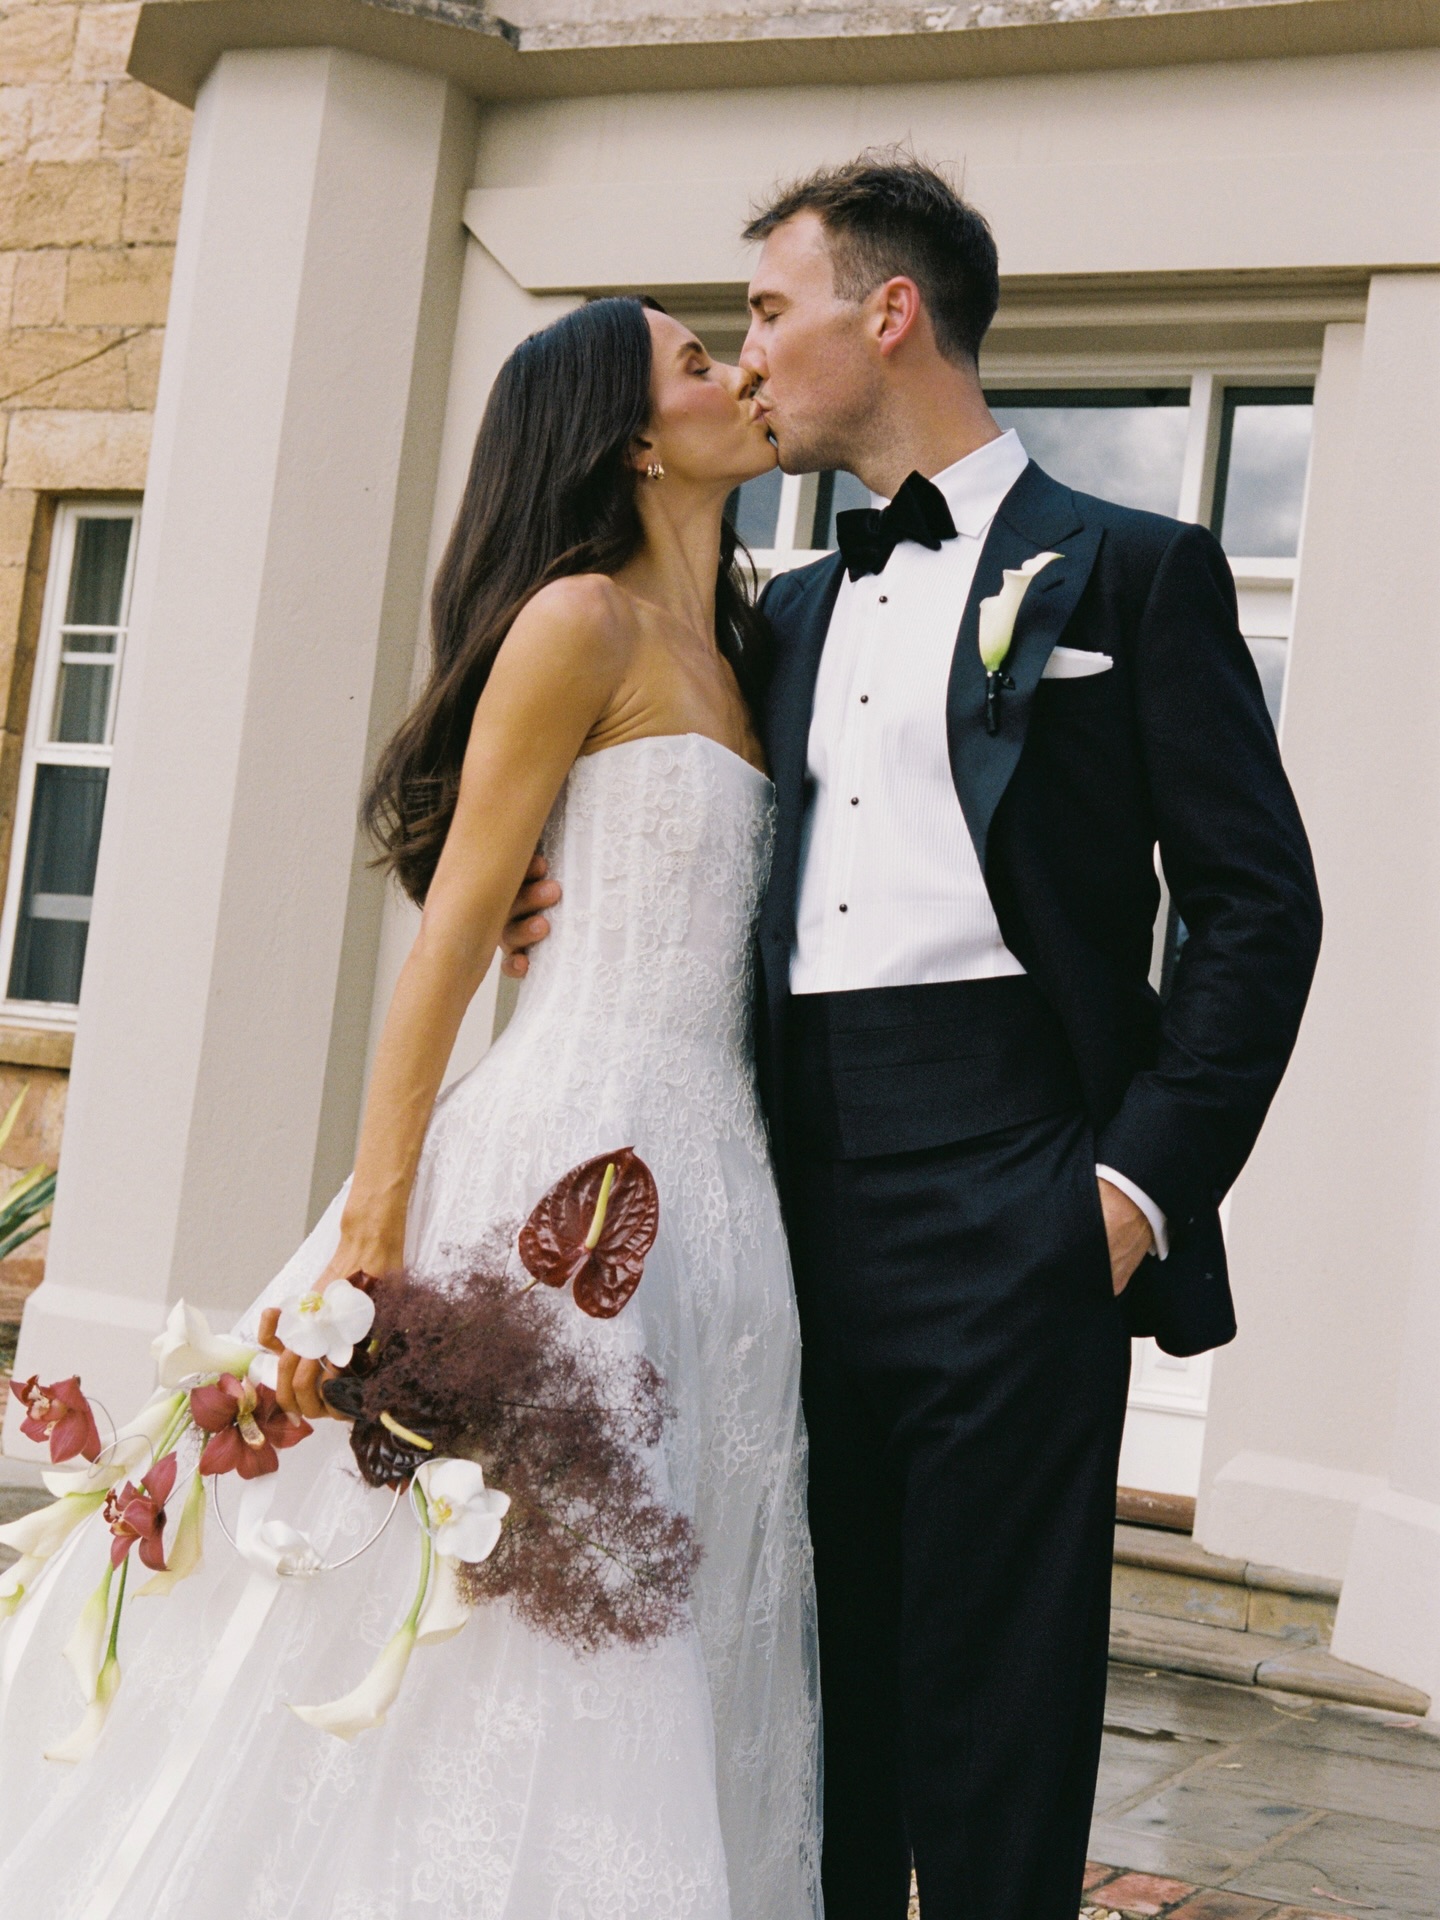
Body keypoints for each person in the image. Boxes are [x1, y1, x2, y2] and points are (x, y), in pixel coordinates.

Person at [503, 156, 1323, 1920]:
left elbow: (1262, 911)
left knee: (1004, 1705)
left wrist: (1129, 1188)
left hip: (1027, 1187)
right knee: (809, 1676)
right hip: (782, 1193)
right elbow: (601, 760)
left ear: (888, 316)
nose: (749, 358)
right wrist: (510, 883)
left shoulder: (1137, 572)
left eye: (769, 313)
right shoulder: (773, 617)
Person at [0, 299, 821, 1920]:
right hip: (558, 1178)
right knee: (529, 1587)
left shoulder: (753, 643)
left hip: (720, 1187)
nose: (738, 373)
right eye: (696, 362)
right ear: (637, 436)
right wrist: (370, 1233)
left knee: (676, 1567)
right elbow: (451, 936)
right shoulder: (575, 622)